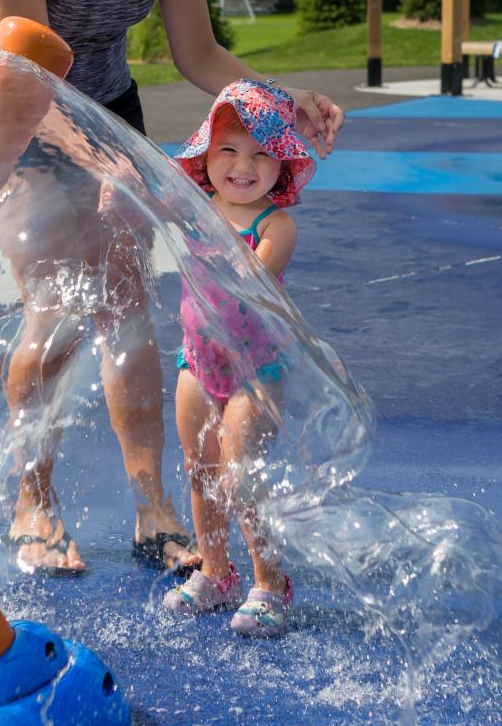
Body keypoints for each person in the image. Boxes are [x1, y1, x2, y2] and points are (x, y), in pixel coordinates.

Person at [0, 0, 343, 575]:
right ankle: (34, 502)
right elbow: (28, 79)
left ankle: (153, 508)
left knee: (126, 303)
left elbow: (196, 51)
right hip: (22, 111)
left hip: (110, 108)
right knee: (53, 305)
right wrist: (94, 158)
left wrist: (275, 97)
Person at [162, 79, 314, 637]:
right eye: (228, 149)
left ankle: (270, 584)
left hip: (255, 370)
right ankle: (217, 571)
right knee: (201, 469)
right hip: (196, 361)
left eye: (260, 154)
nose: (242, 165)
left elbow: (252, 275)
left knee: (241, 474)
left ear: (283, 166)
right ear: (207, 153)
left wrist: (190, 218)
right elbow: (144, 209)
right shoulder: (194, 208)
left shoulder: (275, 227)